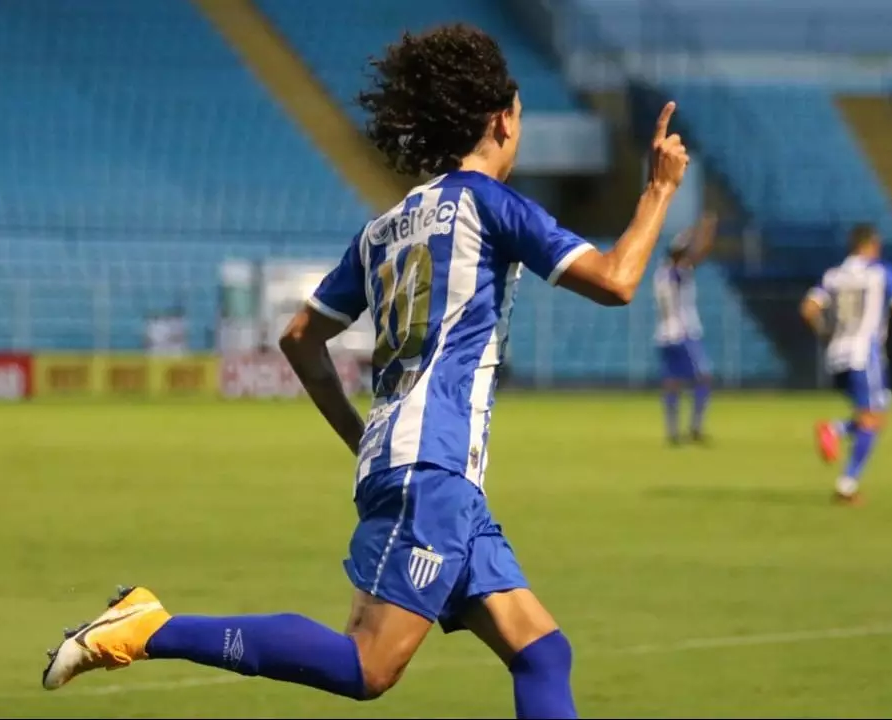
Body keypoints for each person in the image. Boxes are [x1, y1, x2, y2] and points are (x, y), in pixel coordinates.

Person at [40, 24, 689, 719]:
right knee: (368, 664)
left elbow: (299, 339)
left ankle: (147, 626)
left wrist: (365, 440)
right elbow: (617, 280)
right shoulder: (489, 204)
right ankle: (147, 629)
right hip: (431, 467)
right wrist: (658, 189)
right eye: (521, 115)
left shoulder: (386, 227)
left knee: (540, 650)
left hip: (422, 466)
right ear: (502, 119)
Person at [800, 223, 892, 504]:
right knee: (872, 418)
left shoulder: (833, 275)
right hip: (864, 354)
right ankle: (846, 484)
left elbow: (808, 309)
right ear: (872, 244)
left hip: (836, 355)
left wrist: (824, 332)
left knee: (876, 414)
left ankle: (837, 433)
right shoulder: (882, 272)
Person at [652, 213, 717, 445]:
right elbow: (701, 252)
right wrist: (706, 231)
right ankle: (695, 428)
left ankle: (672, 431)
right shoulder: (676, 272)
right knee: (704, 377)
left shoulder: (661, 272)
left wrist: (696, 232)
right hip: (683, 333)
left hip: (664, 334)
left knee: (672, 381)